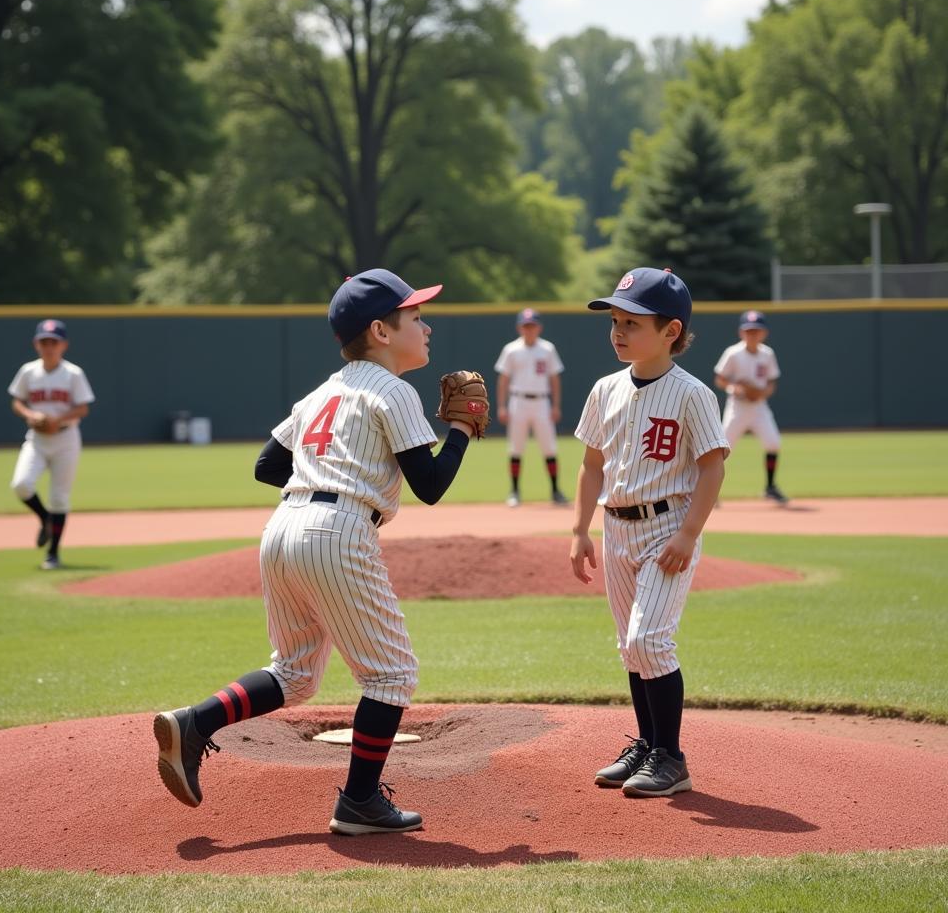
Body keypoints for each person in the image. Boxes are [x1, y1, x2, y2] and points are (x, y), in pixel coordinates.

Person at [154, 269, 485, 835]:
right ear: (381, 331)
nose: (426, 327)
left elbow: (266, 467)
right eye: (415, 318)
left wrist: (324, 473)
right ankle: (359, 802)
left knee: (296, 674)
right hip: (339, 529)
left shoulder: (322, 393)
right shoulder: (394, 390)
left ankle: (195, 722)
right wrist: (457, 427)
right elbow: (429, 485)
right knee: (391, 676)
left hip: (284, 526)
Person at [569, 268, 728, 797]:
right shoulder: (604, 389)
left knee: (649, 640)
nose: (617, 331)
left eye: (631, 322)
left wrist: (688, 534)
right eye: (614, 320)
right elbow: (592, 465)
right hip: (617, 528)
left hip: (667, 528)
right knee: (629, 647)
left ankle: (671, 757)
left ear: (670, 330)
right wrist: (580, 529)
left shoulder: (691, 394)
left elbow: (712, 468)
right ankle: (646, 742)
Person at [7, 319, 95, 571]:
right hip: (37, 439)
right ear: (36, 344)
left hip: (66, 438)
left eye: (53, 342)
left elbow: (83, 407)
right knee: (21, 484)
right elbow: (17, 401)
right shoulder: (28, 372)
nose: (49, 346)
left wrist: (58, 419)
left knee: (59, 497)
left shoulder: (73, 374)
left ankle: (53, 554)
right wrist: (29, 415)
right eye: (44, 342)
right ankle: (45, 518)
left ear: (63, 345)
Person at [494, 307, 567, 507]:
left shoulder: (547, 349)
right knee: (516, 447)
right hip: (518, 401)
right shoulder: (511, 349)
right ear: (520, 328)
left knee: (549, 447)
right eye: (526, 326)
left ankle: (555, 491)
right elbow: (503, 380)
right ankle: (515, 491)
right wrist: (501, 406)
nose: (529, 329)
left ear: (539, 327)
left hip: (542, 402)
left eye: (532, 325)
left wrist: (556, 405)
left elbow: (554, 379)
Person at [714, 309, 788, 504]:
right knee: (721, 450)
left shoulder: (767, 354)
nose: (752, 334)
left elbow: (771, 382)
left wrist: (762, 393)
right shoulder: (733, 353)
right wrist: (733, 387)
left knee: (773, 443)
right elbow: (720, 379)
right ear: (741, 332)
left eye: (756, 330)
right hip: (737, 407)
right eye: (748, 330)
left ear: (764, 333)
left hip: (759, 407)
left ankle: (770, 487)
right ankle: (708, 491)